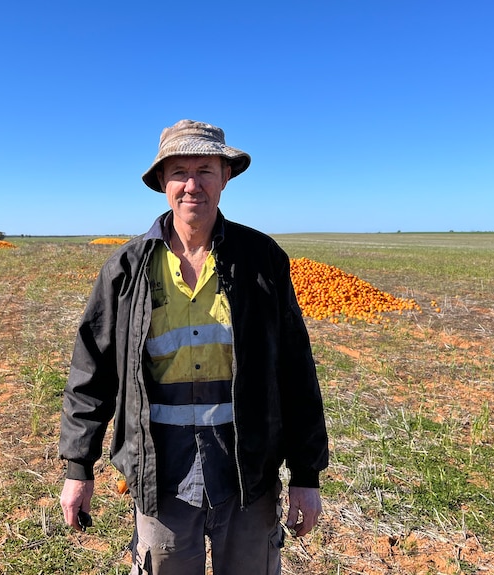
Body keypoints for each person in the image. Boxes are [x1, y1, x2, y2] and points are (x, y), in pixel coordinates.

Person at [59, 119, 329, 574]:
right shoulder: (126, 270)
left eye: (205, 169)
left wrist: (306, 475)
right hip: (159, 472)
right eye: (179, 171)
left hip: (248, 471)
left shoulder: (262, 260)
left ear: (226, 177)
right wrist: (77, 467)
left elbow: (296, 371)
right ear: (162, 182)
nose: (192, 184)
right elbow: (93, 372)